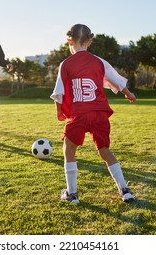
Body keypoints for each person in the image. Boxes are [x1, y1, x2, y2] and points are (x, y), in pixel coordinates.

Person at [50, 24, 136, 204]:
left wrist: (59, 111)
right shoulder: (99, 61)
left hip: (79, 114)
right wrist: (128, 93)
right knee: (104, 150)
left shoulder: (65, 64)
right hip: (99, 113)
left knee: (69, 148)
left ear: (69, 41)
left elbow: (59, 92)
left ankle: (72, 193)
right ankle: (125, 190)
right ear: (89, 41)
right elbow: (117, 80)